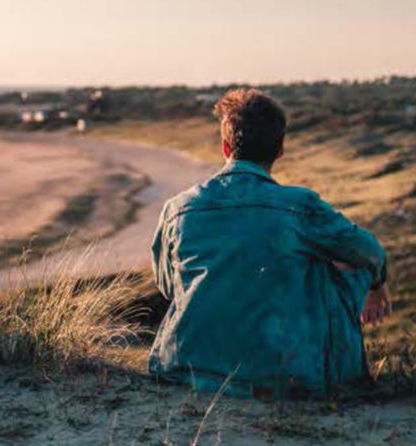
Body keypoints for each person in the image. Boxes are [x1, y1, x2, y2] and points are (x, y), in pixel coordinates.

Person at [148, 89, 391, 398]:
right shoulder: (300, 207)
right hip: (282, 380)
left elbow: (168, 286)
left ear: (225, 147)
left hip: (182, 370)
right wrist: (376, 284)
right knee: (346, 267)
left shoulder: (178, 208)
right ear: (279, 151)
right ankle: (343, 378)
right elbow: (369, 251)